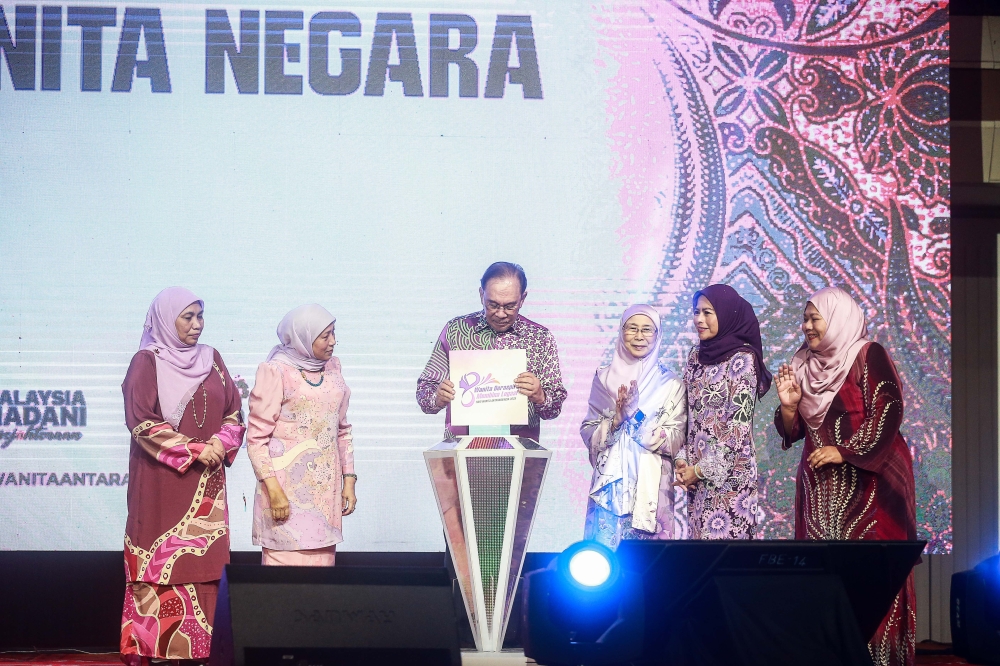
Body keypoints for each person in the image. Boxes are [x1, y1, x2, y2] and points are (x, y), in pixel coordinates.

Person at [773, 286, 916, 666]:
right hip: (820, 489)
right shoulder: (802, 363)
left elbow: (889, 408)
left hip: (871, 482)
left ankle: (876, 660)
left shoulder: (867, 354)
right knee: (823, 574)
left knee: (871, 576)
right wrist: (789, 408)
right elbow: (793, 432)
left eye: (814, 318)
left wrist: (845, 451)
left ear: (836, 318)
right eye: (804, 319)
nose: (806, 326)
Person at [120, 287, 245, 665]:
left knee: (204, 565)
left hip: (206, 484)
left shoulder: (213, 359)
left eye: (200, 316)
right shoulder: (147, 361)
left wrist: (221, 444)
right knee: (159, 563)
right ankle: (156, 650)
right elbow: (141, 421)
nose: (196, 325)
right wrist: (193, 449)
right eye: (187, 317)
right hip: (160, 482)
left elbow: (234, 413)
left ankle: (203, 649)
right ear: (165, 319)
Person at [246, 304, 356, 566]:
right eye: (324, 335)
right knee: (281, 592)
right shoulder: (276, 371)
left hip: (323, 501)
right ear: (303, 337)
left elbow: (342, 429)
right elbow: (256, 439)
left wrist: (349, 480)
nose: (333, 342)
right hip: (283, 496)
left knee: (319, 594)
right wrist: (273, 490)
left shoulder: (333, 369)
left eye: (333, 333)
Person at [416, 262, 567, 441]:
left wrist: (540, 396)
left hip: (519, 454)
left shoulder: (540, 338)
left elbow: (554, 409)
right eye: (493, 305)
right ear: (481, 295)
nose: (501, 314)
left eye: (510, 306)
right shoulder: (456, 331)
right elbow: (424, 393)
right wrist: (437, 397)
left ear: (523, 299)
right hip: (463, 451)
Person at [581, 304, 687, 548]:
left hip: (651, 488)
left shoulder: (671, 384)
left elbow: (676, 440)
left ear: (658, 335)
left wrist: (635, 416)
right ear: (621, 331)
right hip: (609, 489)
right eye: (632, 329)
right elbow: (588, 430)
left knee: (650, 569)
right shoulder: (603, 378)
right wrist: (617, 419)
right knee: (600, 566)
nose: (639, 336)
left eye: (647, 330)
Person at [675, 284, 771, 539]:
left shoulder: (743, 359)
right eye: (696, 312)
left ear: (727, 314)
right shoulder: (696, 356)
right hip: (697, 479)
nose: (699, 320)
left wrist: (700, 470)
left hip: (730, 479)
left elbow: (737, 428)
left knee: (727, 560)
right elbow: (687, 414)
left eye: (708, 313)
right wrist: (683, 460)